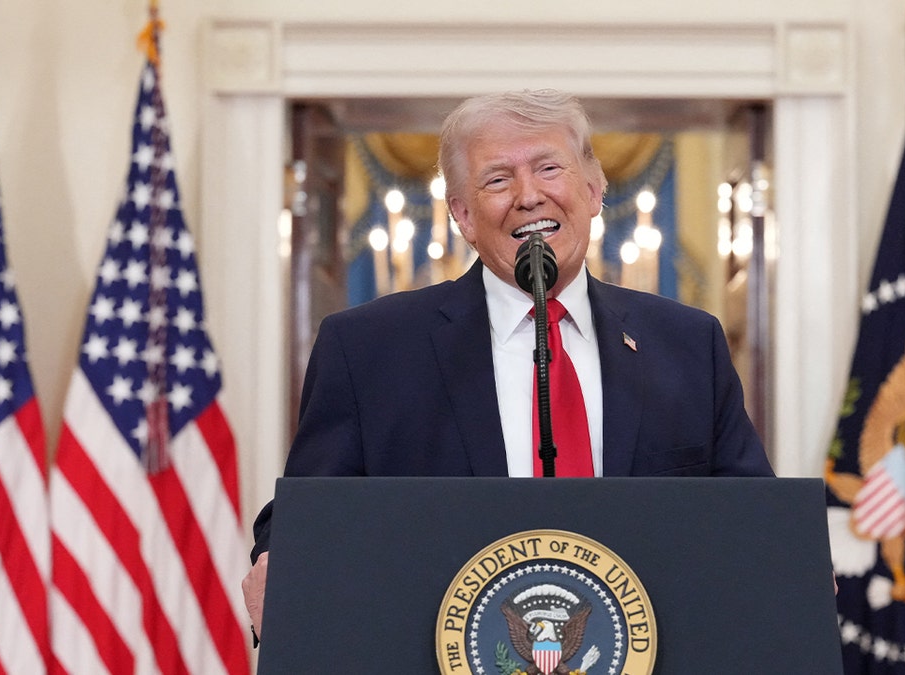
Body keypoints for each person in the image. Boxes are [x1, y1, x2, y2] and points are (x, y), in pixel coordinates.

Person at [241, 89, 775, 639]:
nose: (528, 196)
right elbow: (308, 514)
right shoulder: (368, 349)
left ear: (594, 191)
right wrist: (278, 559)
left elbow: (751, 516)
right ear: (464, 216)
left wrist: (789, 561)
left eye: (549, 168)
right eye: (497, 179)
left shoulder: (687, 343)